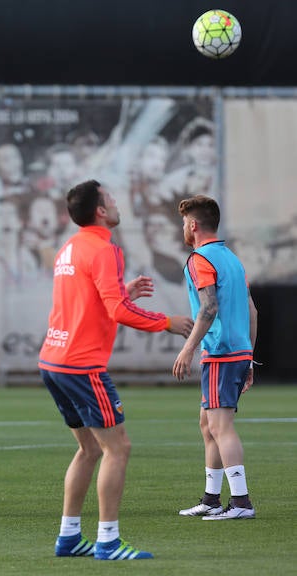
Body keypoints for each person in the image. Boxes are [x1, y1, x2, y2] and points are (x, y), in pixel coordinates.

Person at [38, 180, 192, 560]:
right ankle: (108, 541)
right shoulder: (105, 249)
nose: (117, 202)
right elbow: (117, 312)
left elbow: (91, 299)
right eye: (111, 198)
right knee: (118, 448)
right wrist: (166, 322)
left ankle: (69, 537)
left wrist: (122, 290)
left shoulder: (69, 248)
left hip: (53, 360)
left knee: (89, 449)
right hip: (81, 365)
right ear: (101, 212)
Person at [173, 195, 258, 520]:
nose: (183, 228)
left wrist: (188, 347)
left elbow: (209, 308)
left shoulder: (199, 259)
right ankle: (211, 499)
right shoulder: (232, 259)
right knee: (208, 425)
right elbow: (252, 311)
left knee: (221, 427)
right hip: (236, 352)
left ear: (193, 225)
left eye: (183, 223)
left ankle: (241, 503)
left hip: (221, 353)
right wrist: (249, 356)